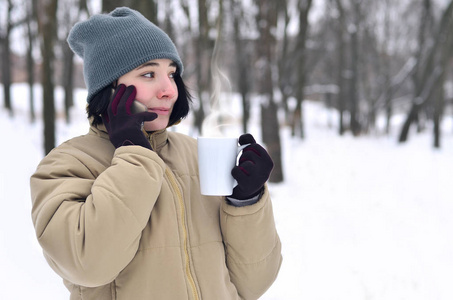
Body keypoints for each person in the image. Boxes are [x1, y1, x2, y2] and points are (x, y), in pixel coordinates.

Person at [30, 7, 282, 300]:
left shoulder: (196, 156)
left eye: (172, 74)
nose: (169, 90)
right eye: (149, 73)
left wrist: (246, 202)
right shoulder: (66, 165)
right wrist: (134, 155)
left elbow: (254, 284)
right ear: (110, 89)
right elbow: (88, 264)